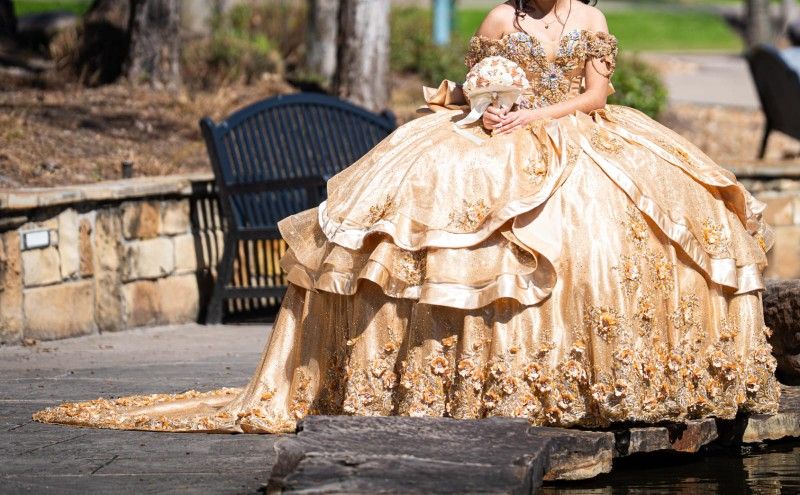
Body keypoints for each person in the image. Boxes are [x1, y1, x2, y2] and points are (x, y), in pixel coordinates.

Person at [33, 0, 780, 433]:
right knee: (433, 201)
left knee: (632, 223)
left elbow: (594, 95)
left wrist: (538, 116)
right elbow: (491, 84)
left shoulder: (588, 14)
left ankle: (619, 382)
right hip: (506, 131)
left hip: (576, 131)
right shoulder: (500, 14)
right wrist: (487, 108)